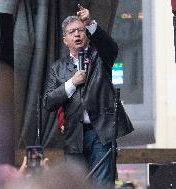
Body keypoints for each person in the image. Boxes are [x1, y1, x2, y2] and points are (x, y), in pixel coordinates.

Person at [43, 5, 134, 189]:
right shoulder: (58, 68)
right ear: (65, 40)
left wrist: (91, 23)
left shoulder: (100, 56)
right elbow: (48, 102)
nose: (77, 34)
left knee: (102, 184)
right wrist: (72, 83)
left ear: (86, 34)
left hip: (100, 132)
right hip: (74, 135)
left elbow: (111, 47)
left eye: (80, 30)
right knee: (76, 184)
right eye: (72, 32)